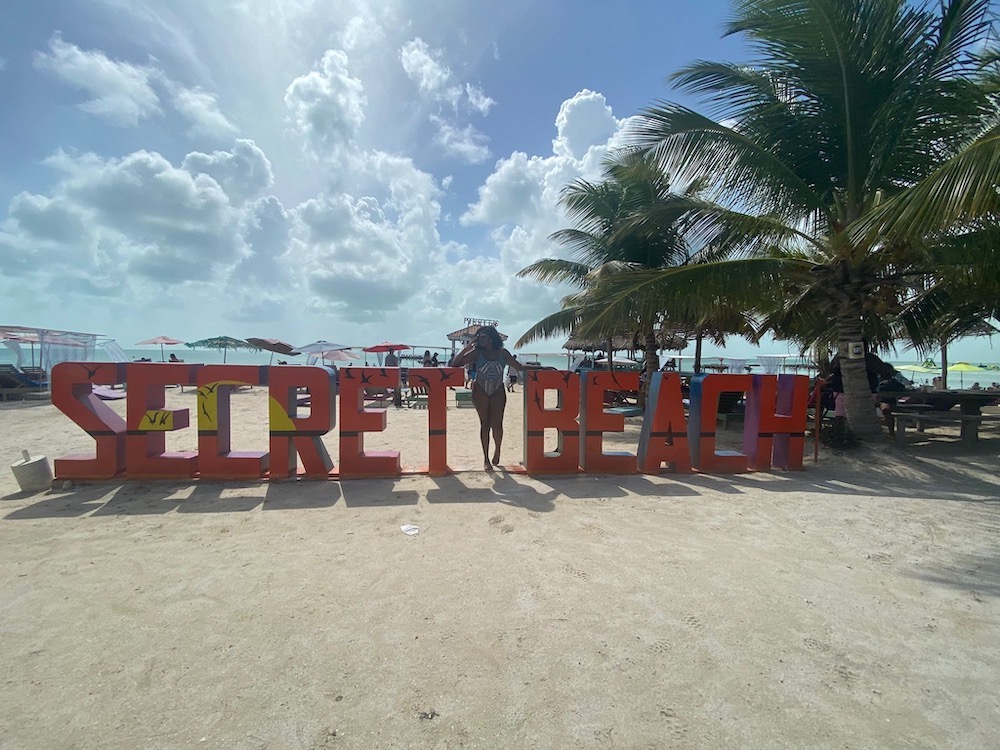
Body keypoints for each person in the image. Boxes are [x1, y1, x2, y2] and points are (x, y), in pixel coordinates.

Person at [450, 326, 532, 471]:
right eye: (479, 337)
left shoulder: (503, 353)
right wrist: (469, 345)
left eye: (483, 337)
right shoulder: (476, 353)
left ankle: (498, 449)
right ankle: (486, 459)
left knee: (497, 424)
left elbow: (518, 367)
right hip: (480, 389)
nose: (480, 339)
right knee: (484, 424)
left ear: (491, 338)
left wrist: (540, 367)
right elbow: (455, 363)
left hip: (498, 389)